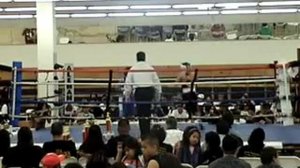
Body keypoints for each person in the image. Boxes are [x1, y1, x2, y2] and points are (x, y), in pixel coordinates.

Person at [124, 51, 161, 135]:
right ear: (144, 58)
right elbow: (157, 85)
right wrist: (157, 99)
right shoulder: (150, 68)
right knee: (147, 112)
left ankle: (144, 133)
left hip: (139, 92)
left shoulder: (133, 69)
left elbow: (128, 85)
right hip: (149, 91)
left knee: (141, 114)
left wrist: (127, 97)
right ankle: (147, 132)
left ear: (137, 58)